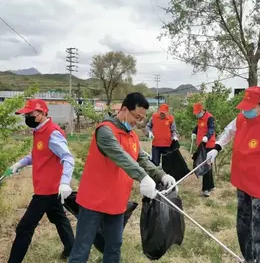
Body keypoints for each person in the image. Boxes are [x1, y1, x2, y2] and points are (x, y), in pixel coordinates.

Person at [68, 92, 177, 263]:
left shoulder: (132, 135)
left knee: (114, 246)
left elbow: (140, 158)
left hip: (117, 201)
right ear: (124, 109)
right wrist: (142, 177)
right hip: (93, 201)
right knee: (82, 248)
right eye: (136, 116)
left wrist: (161, 175)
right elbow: (121, 156)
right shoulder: (105, 130)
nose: (138, 122)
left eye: (142, 118)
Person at [206, 86, 260, 263]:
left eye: (250, 107)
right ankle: (247, 256)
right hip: (243, 184)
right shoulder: (242, 118)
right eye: (244, 106)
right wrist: (217, 147)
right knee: (243, 225)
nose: (245, 110)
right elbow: (229, 131)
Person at [8, 99, 75, 262]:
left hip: (47, 189)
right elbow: (39, 154)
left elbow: (67, 158)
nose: (27, 118)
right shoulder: (39, 130)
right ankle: (71, 250)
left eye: (30, 114)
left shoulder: (52, 132)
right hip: (47, 187)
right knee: (59, 219)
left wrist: (65, 182)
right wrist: (20, 164)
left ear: (43, 113)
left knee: (24, 228)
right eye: (26, 115)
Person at [191, 103, 216, 197]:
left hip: (209, 145)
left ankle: (207, 189)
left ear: (202, 110)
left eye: (197, 113)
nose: (196, 115)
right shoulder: (200, 118)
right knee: (206, 165)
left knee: (206, 165)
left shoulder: (210, 118)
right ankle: (211, 186)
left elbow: (211, 129)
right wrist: (194, 132)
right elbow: (199, 127)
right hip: (201, 145)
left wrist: (207, 136)